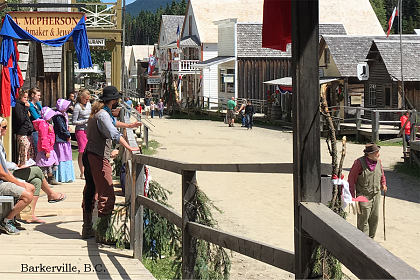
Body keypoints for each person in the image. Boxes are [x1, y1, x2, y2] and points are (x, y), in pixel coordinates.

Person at [81, 86, 141, 241]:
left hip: (90, 154)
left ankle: (88, 228)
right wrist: (129, 147)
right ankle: (102, 232)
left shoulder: (99, 112)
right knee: (107, 194)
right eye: (117, 100)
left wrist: (128, 126)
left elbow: (113, 123)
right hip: (98, 157)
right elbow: (113, 133)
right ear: (113, 101)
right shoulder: (103, 115)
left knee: (91, 190)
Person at [0, 117, 65, 224]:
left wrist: (16, 165)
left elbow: (3, 163)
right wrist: (20, 183)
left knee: (36, 181)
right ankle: (51, 194)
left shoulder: (1, 142)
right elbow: (2, 172)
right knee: (36, 170)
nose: (6, 129)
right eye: (4, 127)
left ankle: (29, 215)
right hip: (5, 177)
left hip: (9, 171)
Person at [348, 143, 387, 239]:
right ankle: (363, 243)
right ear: (369, 154)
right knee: (363, 220)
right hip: (363, 196)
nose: (378, 154)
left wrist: (383, 184)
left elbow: (382, 174)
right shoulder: (358, 163)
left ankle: (371, 241)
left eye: (378, 152)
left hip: (376, 195)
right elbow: (351, 179)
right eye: (376, 152)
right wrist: (352, 196)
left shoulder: (378, 162)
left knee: (375, 219)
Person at [33, 107, 60, 185]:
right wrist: (46, 150)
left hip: (49, 147)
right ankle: (44, 181)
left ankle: (50, 178)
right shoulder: (43, 125)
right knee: (45, 166)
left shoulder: (46, 124)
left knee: (49, 165)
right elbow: (43, 138)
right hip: (45, 149)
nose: (51, 117)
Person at [53, 99, 75, 183]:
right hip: (61, 140)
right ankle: (62, 176)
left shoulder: (63, 114)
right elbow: (61, 128)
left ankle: (68, 176)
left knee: (66, 156)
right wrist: (68, 134)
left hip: (64, 140)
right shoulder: (58, 116)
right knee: (61, 157)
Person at [12, 90, 35, 167]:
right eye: (24, 97)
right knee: (24, 152)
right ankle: (22, 167)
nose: (26, 99)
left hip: (27, 132)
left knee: (29, 152)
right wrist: (26, 109)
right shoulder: (18, 106)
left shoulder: (23, 105)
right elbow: (21, 119)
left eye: (27, 97)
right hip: (22, 132)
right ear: (20, 97)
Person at [73, 89, 91, 179]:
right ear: (82, 98)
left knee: (88, 151)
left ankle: (88, 169)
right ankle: (82, 171)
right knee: (82, 151)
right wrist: (85, 121)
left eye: (88, 99)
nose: (87, 101)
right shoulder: (77, 107)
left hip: (89, 130)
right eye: (86, 99)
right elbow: (74, 121)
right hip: (80, 130)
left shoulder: (89, 105)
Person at [28, 87, 42, 156]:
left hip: (41, 128)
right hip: (34, 129)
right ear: (33, 95)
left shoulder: (38, 104)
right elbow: (36, 117)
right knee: (37, 148)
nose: (40, 97)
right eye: (38, 95)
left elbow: (43, 111)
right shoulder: (30, 105)